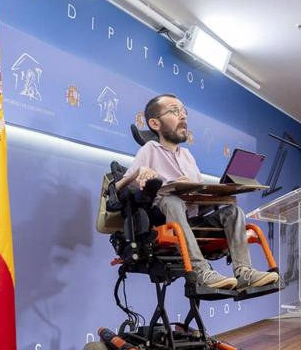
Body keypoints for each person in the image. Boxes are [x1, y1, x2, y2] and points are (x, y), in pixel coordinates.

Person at [117, 94, 280, 290]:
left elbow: (200, 196)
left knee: (232, 211)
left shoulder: (187, 156)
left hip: (192, 219)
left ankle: (244, 273)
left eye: (184, 112)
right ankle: (201, 271)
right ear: (154, 123)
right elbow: (119, 190)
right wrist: (136, 173)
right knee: (172, 201)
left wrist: (222, 190)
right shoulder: (150, 149)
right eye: (174, 111)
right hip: (164, 217)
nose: (183, 116)